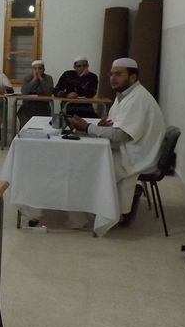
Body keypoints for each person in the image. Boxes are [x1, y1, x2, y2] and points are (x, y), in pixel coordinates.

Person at [69, 58, 165, 225]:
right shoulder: (125, 95)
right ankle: (95, 210)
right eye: (111, 74)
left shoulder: (137, 98)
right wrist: (100, 126)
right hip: (128, 149)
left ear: (133, 77)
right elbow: (114, 124)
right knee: (85, 159)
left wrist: (88, 127)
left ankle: (96, 216)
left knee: (86, 168)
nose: (113, 78)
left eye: (119, 74)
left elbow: (121, 135)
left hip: (136, 155)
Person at [17, 60, 54, 128]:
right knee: (26, 128)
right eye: (35, 68)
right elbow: (24, 92)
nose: (37, 71)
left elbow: (49, 92)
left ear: (44, 69)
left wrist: (41, 79)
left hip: (43, 108)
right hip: (27, 107)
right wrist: (34, 79)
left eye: (40, 68)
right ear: (32, 69)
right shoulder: (27, 78)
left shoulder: (48, 78)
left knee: (42, 128)